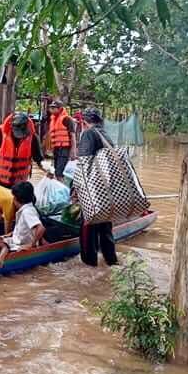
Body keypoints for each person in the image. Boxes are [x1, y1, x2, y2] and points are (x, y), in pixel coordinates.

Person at [74, 108, 118, 266]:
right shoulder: (105, 135)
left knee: (88, 229)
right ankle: (111, 261)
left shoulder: (88, 134)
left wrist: (76, 188)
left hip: (93, 190)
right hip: (107, 189)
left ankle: (89, 266)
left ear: (84, 122)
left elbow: (84, 163)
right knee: (105, 227)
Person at [0, 112, 51, 188]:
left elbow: (39, 159)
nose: (19, 136)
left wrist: (48, 169)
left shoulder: (33, 138)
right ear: (11, 126)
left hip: (19, 184)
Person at [8, 181, 46, 250]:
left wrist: (31, 245)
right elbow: (25, 229)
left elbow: (41, 228)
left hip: (20, 245)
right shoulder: (26, 209)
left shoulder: (27, 212)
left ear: (16, 199)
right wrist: (12, 233)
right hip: (17, 241)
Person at [46, 100, 76, 179]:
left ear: (59, 108)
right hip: (56, 148)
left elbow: (73, 136)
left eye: (53, 108)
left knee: (60, 173)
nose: (51, 110)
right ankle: (58, 183)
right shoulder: (52, 119)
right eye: (51, 108)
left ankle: (61, 185)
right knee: (54, 171)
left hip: (65, 149)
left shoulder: (67, 119)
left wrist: (73, 151)